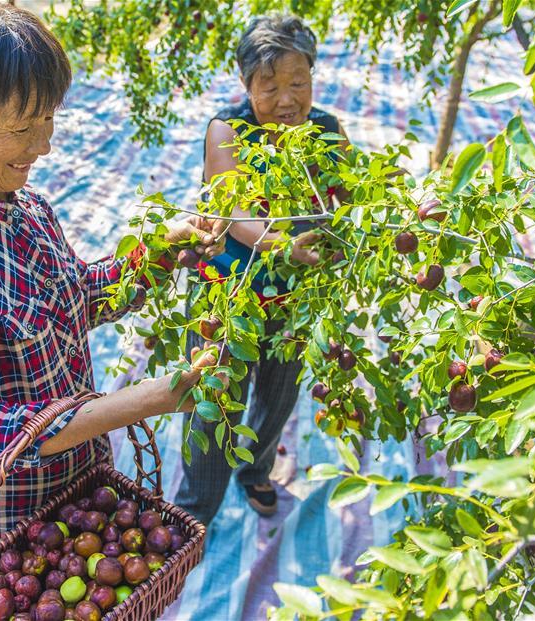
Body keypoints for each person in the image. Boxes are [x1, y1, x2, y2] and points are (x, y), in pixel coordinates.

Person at [0, 0, 225, 556]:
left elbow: (77, 299)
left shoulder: (27, 207)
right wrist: (149, 399)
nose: (43, 145)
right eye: (21, 127)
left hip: (70, 480)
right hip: (2, 518)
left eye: (48, 119)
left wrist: (160, 256)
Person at [174, 13, 350, 524]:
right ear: (246, 84)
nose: (287, 100)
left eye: (299, 83)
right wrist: (282, 245)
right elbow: (234, 212)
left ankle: (256, 470)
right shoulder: (227, 130)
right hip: (227, 293)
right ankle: (196, 508)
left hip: (296, 294)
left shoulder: (327, 131)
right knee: (215, 397)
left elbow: (348, 196)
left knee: (278, 394)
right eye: (270, 87)